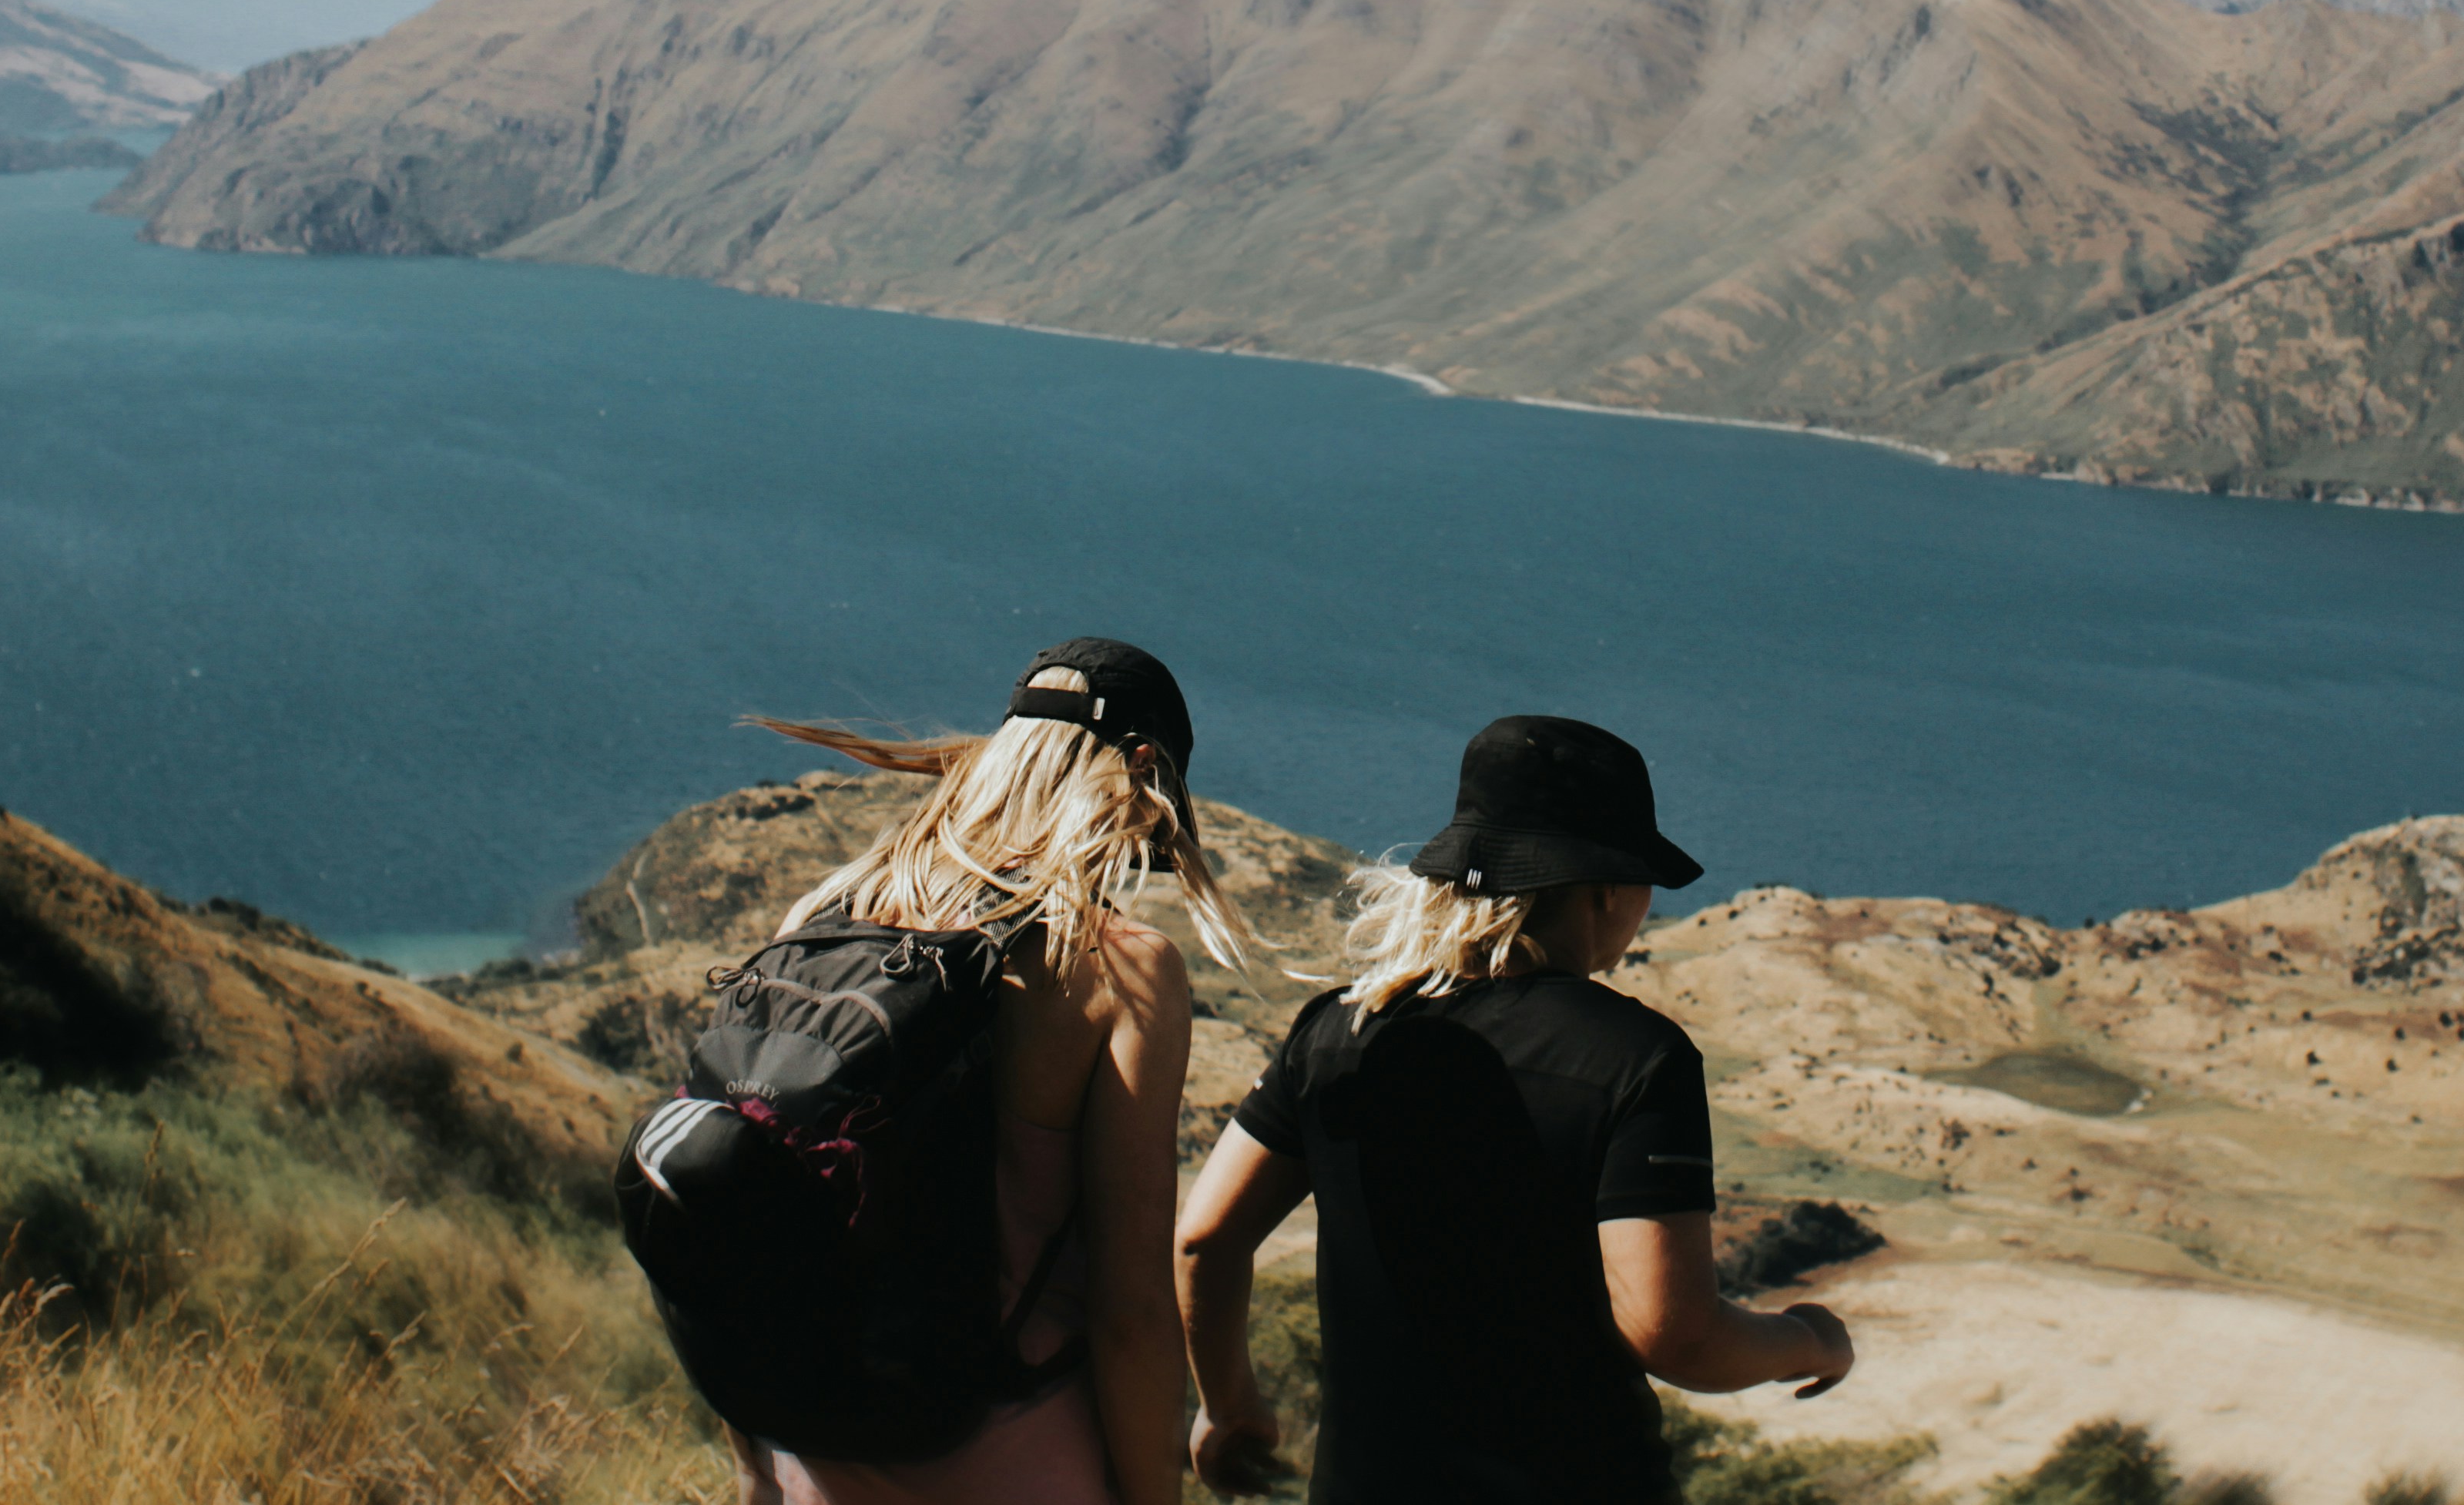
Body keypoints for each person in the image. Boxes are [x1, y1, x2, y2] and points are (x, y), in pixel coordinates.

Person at [1176, 715, 1854, 1503]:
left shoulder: (1339, 1029)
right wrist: (1810, 1340)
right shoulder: (1636, 1056)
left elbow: (1204, 1237)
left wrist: (1227, 1408)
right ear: (1603, 887)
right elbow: (1676, 1334)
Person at [732, 638, 1252, 1505]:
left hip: (814, 1453)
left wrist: (759, 1472)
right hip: (1015, 1455)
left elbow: (751, 1208)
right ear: (1141, 770)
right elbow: (1130, 1312)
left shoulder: (822, 916)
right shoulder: (1116, 965)